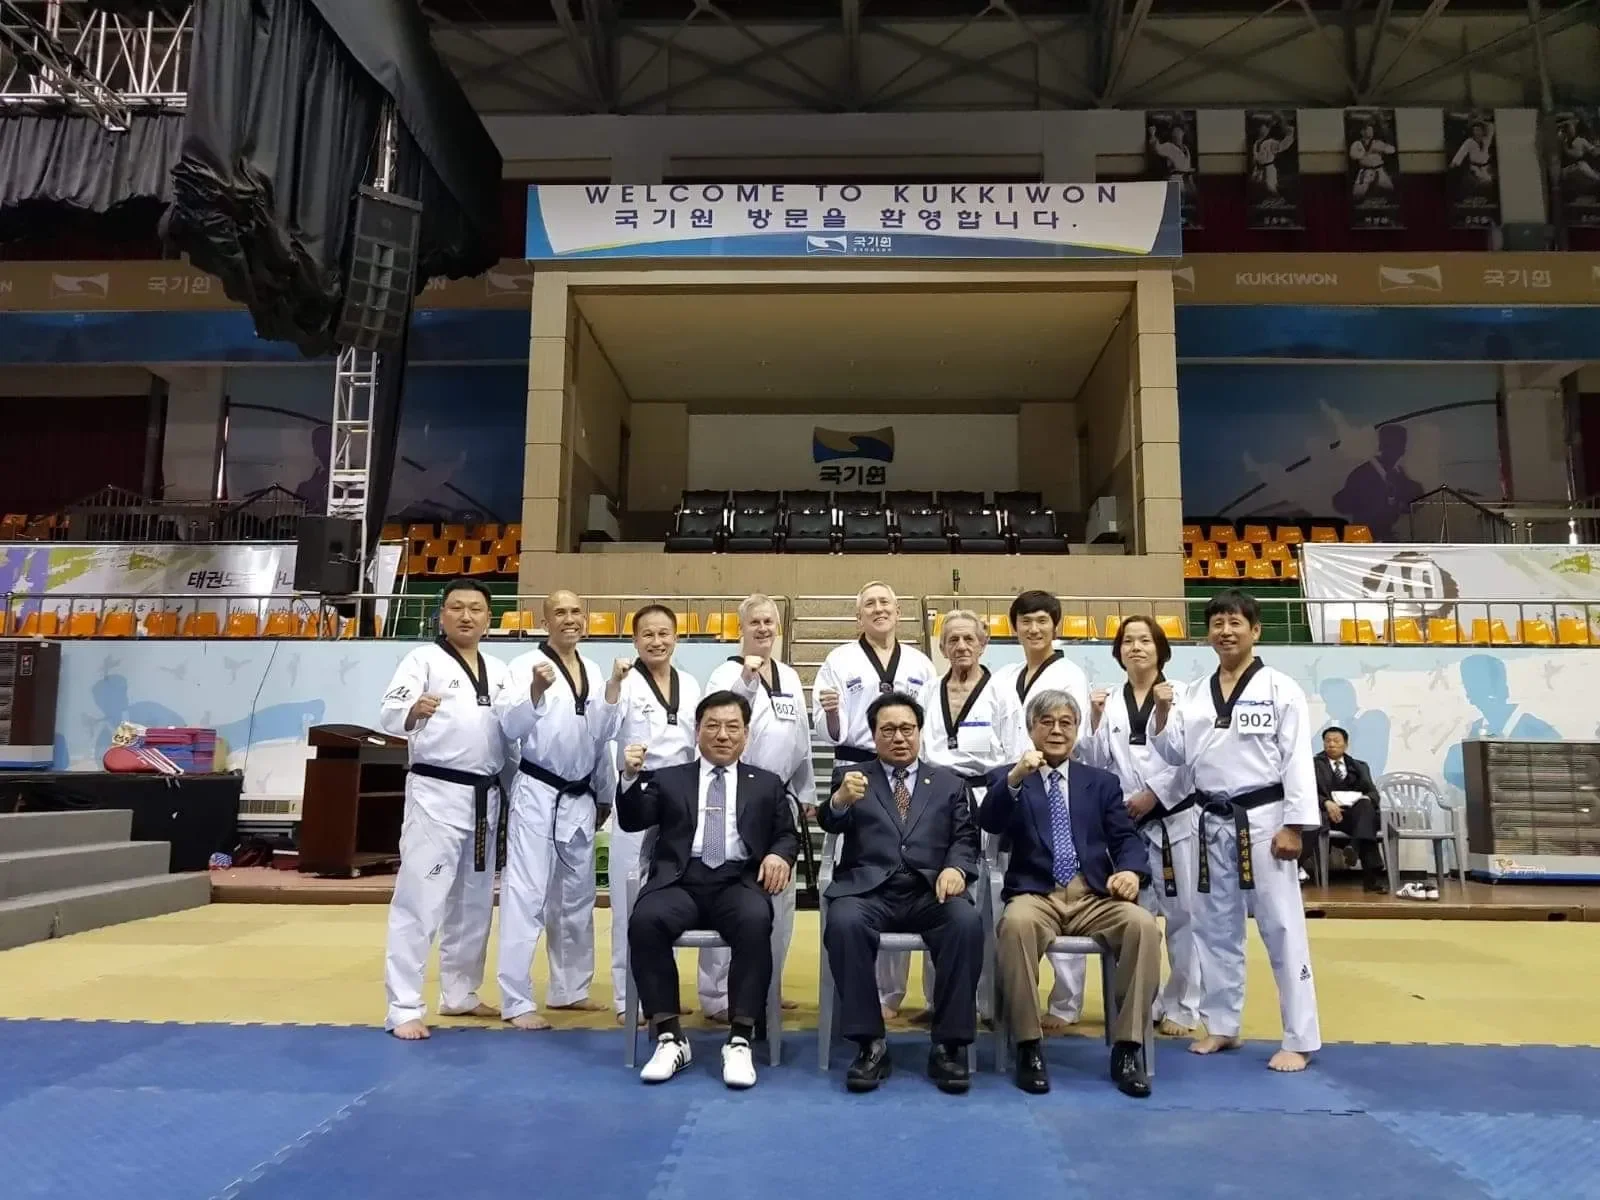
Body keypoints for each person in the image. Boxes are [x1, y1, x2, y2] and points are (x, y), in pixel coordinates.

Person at [1150, 588, 1322, 1072]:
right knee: (1214, 927)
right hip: (1210, 820)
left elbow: (1296, 762)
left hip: (1265, 820)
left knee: (1282, 926)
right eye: (1218, 624)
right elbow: (1172, 755)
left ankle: (1301, 1036)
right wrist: (1162, 713)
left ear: (1255, 630)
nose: (1226, 631)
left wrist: (1296, 826)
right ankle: (1222, 1025)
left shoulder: (1280, 688)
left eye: (1235, 623)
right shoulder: (1195, 692)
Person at [982, 689, 1160, 1097]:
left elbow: (1125, 838)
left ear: (1077, 730)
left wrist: (1132, 871)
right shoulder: (1009, 777)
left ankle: (1128, 1047)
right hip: (1036, 893)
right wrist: (1014, 779)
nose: (1057, 730)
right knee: (1015, 925)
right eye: (1046, 722)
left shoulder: (1100, 783)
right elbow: (990, 823)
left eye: (1066, 722)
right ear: (1030, 730)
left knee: (1143, 926)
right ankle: (1029, 1046)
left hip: (1093, 894)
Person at [618, 692, 799, 1089]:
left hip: (738, 880)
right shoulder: (669, 779)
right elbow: (633, 821)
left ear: (746, 734)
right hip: (680, 880)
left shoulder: (766, 784)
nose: (722, 735)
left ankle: (739, 1038)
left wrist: (779, 856)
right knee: (645, 921)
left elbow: (786, 834)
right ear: (697, 730)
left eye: (732, 726)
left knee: (755, 921)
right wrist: (629, 777)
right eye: (712, 726)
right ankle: (668, 1036)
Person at [817, 693, 983, 1095]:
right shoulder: (853, 777)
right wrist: (839, 801)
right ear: (873, 735)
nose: (899, 737)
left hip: (930, 890)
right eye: (887, 730)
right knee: (843, 923)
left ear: (920, 733)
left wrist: (956, 868)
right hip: (868, 889)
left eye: (907, 729)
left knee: (965, 923)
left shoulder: (949, 783)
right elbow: (829, 821)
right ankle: (869, 1043)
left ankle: (948, 1044)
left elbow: (965, 837)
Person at [378, 579, 511, 1040]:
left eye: (476, 608)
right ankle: (403, 1006)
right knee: (420, 902)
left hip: (484, 799)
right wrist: (414, 710)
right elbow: (391, 711)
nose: (467, 616)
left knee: (473, 902)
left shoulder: (500, 669)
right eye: (457, 607)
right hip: (436, 793)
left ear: (489, 619)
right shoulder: (422, 660)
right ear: (442, 615)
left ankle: (461, 993)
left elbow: (512, 729)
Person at [875, 609, 1023, 1021]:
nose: (961, 647)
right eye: (952, 640)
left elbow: (1014, 756)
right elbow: (916, 748)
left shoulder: (1003, 693)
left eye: (968, 639)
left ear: (983, 643)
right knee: (934, 891)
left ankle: (982, 1002)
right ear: (941, 648)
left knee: (983, 904)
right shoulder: (928, 693)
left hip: (987, 794)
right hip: (936, 797)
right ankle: (936, 1000)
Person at [493, 590, 625, 1030]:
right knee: (527, 894)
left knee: (577, 897)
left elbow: (601, 737)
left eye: (576, 612)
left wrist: (604, 792)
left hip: (581, 795)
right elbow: (510, 727)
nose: (570, 619)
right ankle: (515, 999)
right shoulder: (523, 666)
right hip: (538, 792)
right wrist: (535, 690)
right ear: (544, 619)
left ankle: (570, 988)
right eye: (560, 613)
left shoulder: (592, 668)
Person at [811, 580, 936, 1020]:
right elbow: (830, 732)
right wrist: (830, 712)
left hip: (909, 768)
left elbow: (930, 725)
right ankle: (875, 995)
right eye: (869, 605)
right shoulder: (838, 660)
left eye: (885, 603)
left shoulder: (920, 662)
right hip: (857, 770)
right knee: (869, 873)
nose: (878, 610)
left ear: (898, 611)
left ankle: (900, 994)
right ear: (857, 615)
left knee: (909, 868)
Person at [1082, 615, 1202, 1037]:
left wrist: (1154, 793)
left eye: (1145, 640)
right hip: (1125, 823)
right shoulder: (1107, 700)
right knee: (1135, 915)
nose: (1136, 648)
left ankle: (1184, 1004)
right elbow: (1096, 763)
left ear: (1160, 649)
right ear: (1118, 651)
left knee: (1183, 915)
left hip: (1173, 817)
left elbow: (1191, 756)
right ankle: (1140, 1002)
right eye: (1128, 641)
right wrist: (1094, 722)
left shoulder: (1185, 695)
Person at [699, 594, 812, 1020]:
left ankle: (767, 983)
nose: (763, 628)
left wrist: (806, 795)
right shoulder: (725, 672)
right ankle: (715, 994)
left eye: (769, 621)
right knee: (726, 887)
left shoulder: (789, 676)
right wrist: (746, 679)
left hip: (779, 796)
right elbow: (718, 722)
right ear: (741, 627)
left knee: (779, 898)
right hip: (733, 793)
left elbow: (800, 741)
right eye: (755, 622)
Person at [596, 603, 704, 1022]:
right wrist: (611, 684)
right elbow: (603, 729)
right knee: (629, 896)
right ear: (635, 640)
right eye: (647, 635)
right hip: (638, 790)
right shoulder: (625, 682)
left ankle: (662, 993)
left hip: (679, 796)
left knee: (670, 893)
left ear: (676, 638)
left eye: (664, 634)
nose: (657, 642)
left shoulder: (690, 683)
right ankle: (628, 998)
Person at [990, 589, 1089, 1031]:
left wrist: (1039, 760)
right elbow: (992, 728)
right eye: (1026, 622)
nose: (1034, 629)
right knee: (1013, 890)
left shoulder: (1071, 674)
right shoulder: (1005, 674)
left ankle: (1066, 1003)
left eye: (1042, 621)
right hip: (1013, 782)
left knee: (1062, 882)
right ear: (1014, 628)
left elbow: (1071, 733)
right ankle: (1013, 994)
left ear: (1056, 626)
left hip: (1053, 783)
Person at [1310, 726, 1386, 894]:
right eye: (1327, 741)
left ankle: (1354, 846)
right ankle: (1371, 878)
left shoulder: (1359, 766)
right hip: (1330, 816)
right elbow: (1306, 792)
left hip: (1355, 815)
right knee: (1367, 824)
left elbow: (1373, 793)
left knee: (1365, 807)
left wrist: (1367, 799)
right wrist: (1326, 803)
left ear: (1346, 744)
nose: (1331, 744)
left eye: (1336, 741)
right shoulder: (1313, 765)